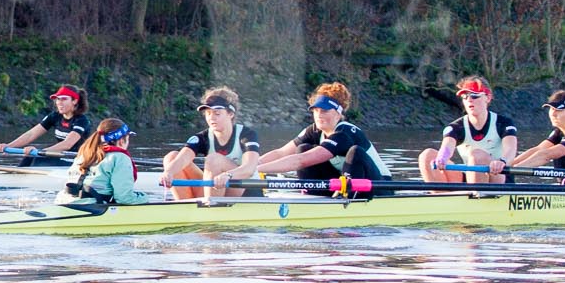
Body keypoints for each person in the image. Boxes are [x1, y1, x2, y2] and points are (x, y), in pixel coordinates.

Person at [258, 82, 392, 185]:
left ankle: (352, 199)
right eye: (316, 111)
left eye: (325, 111)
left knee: (355, 152)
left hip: (379, 185)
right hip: (345, 181)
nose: (319, 115)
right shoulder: (313, 130)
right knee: (302, 148)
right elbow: (280, 153)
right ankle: (312, 196)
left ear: (338, 114)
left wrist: (256, 170)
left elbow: (300, 161)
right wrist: (248, 166)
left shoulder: (345, 132)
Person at [160, 87, 260, 199]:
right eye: (208, 113)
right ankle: (184, 207)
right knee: (172, 158)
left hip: (245, 191)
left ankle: (212, 209)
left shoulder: (247, 135)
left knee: (214, 160)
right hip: (216, 188)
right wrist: (168, 172)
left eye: (217, 114)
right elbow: (183, 158)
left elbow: (249, 169)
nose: (211, 118)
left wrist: (228, 175)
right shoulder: (202, 137)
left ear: (230, 114)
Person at [421, 76, 519, 184]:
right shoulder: (456, 127)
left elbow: (510, 149)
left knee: (477, 155)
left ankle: (477, 194)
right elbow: (447, 146)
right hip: (470, 177)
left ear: (488, 97)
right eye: (465, 96)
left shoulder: (503, 123)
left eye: (474, 95)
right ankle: (438, 196)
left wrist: (502, 162)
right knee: (427, 155)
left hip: (499, 178)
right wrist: (442, 157)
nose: (469, 100)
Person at [68, 117, 151, 205]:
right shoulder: (120, 158)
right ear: (121, 140)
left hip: (64, 202)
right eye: (128, 137)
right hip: (93, 208)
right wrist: (145, 197)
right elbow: (124, 198)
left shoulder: (84, 153)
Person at [7, 85, 90, 166]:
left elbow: (67, 144)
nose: (59, 103)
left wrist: (39, 152)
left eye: (64, 99)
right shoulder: (55, 116)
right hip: (60, 157)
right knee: (30, 156)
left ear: (74, 101)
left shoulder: (81, 121)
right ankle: (16, 175)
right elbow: (31, 134)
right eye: (58, 99)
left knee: (36, 157)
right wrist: (8, 146)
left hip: (76, 161)